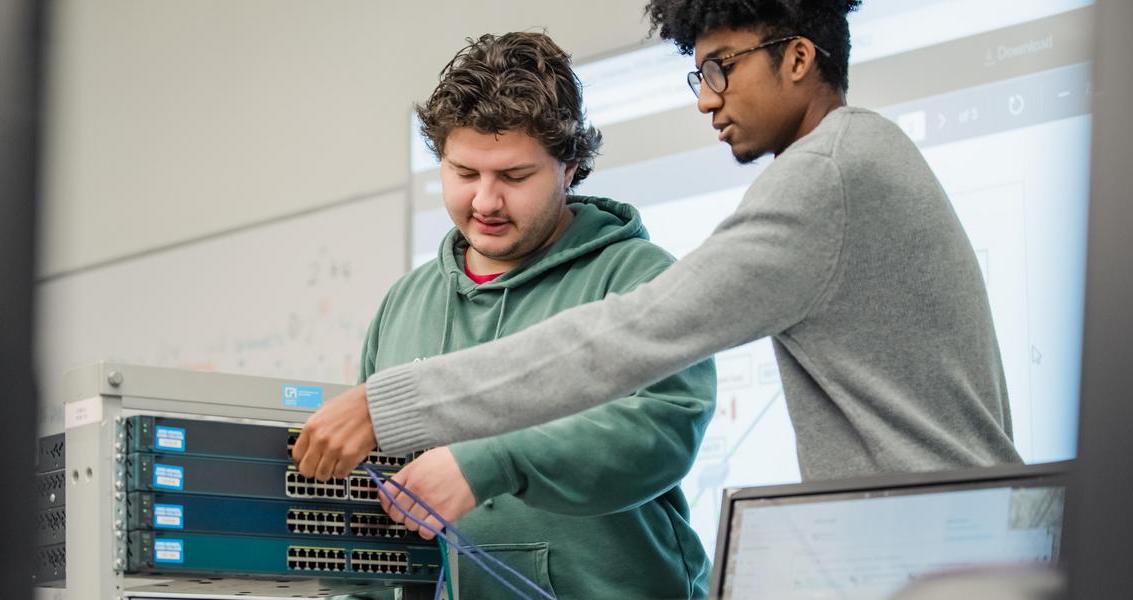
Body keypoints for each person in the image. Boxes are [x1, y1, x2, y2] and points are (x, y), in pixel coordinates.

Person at [293, 0, 1023, 529]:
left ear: (798, 57)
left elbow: (630, 335)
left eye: (720, 68)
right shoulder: (864, 158)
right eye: (698, 73)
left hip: (937, 542)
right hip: (946, 532)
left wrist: (388, 404)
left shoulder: (829, 174)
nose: (707, 99)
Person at [343, 32, 717, 599]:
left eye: (514, 177)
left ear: (570, 167)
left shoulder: (635, 278)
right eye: (464, 173)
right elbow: (369, 499)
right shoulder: (403, 304)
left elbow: (662, 428)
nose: (485, 202)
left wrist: (491, 461)